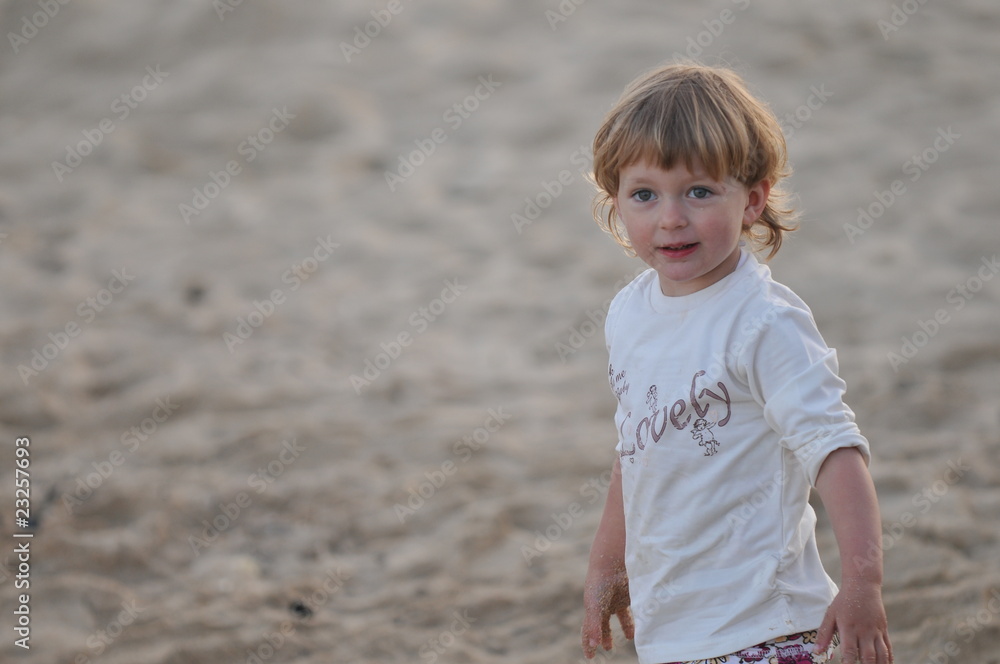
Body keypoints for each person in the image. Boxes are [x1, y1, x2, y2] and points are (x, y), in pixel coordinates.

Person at [580, 63, 892, 664]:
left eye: (698, 191)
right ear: (615, 201)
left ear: (752, 200)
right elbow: (635, 447)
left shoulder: (764, 323)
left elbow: (834, 451)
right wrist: (607, 561)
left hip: (766, 626)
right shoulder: (628, 313)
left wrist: (863, 584)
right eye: (644, 194)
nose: (671, 217)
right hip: (673, 629)